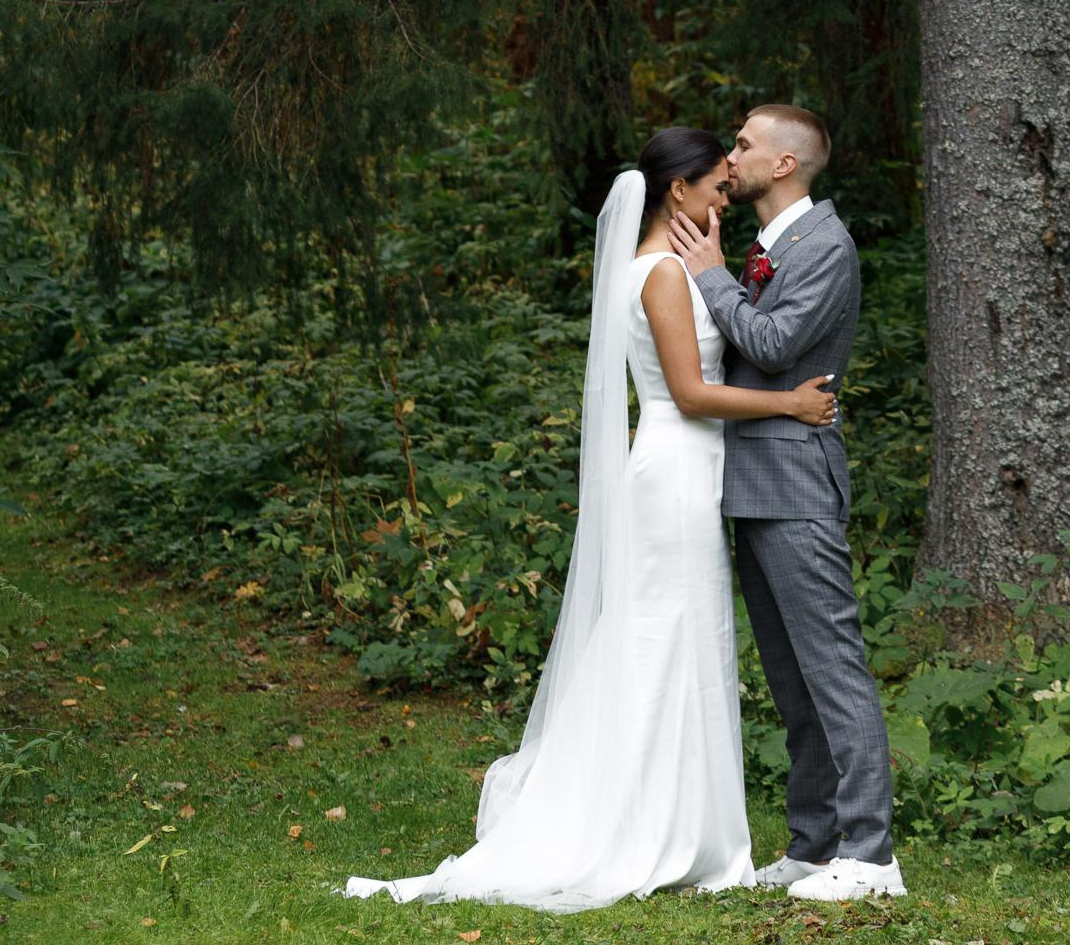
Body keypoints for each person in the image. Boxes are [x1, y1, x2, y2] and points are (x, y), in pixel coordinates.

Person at [341, 126, 836, 913]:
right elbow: (690, 394)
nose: (722, 201)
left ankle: (684, 822)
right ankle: (634, 824)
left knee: (682, 640)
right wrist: (790, 402)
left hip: (692, 472)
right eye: (713, 187)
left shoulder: (675, 267)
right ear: (678, 191)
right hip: (676, 471)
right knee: (658, 641)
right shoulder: (664, 274)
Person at [669, 102, 903, 903]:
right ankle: (814, 844)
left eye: (742, 145)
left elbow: (768, 347)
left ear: (782, 166)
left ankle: (873, 857)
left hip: (797, 483)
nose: (728, 157)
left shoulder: (825, 246)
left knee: (833, 669)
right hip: (754, 487)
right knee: (791, 678)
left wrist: (710, 276)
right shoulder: (769, 247)